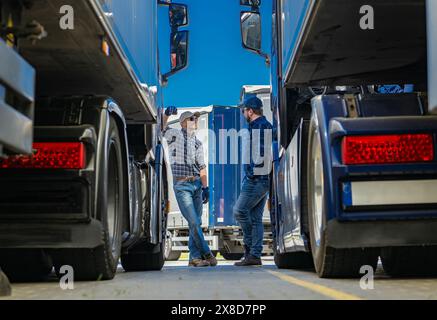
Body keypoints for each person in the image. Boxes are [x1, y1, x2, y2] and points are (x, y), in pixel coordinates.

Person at [162, 106, 217, 267]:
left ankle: (194, 258)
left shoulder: (198, 143)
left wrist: (206, 188)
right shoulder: (176, 136)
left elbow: (202, 167)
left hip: (197, 186)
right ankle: (207, 253)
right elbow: (162, 127)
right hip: (182, 186)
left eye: (197, 118)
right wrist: (166, 114)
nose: (196, 121)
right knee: (193, 222)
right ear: (184, 123)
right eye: (192, 118)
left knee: (197, 223)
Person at [233, 97, 273, 266]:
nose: (243, 113)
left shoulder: (259, 126)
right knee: (256, 218)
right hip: (262, 179)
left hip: (257, 179)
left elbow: (262, 153)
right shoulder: (262, 125)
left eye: (244, 110)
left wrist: (251, 173)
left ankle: (249, 249)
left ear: (250, 111)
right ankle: (254, 256)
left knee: (239, 211)